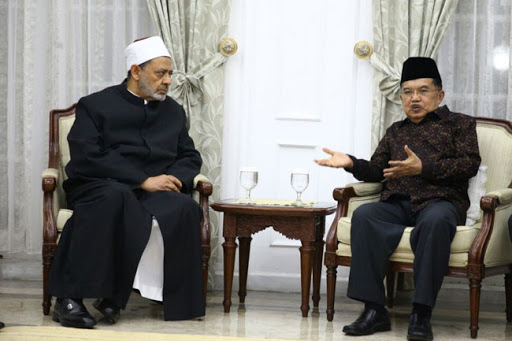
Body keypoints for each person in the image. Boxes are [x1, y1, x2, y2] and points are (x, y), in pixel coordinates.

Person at [315, 57, 481, 341]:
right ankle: (374, 310)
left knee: (437, 222)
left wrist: (423, 167)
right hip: (397, 203)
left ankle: (421, 312)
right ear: (401, 96)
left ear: (439, 95)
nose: (414, 98)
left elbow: (469, 164)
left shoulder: (459, 125)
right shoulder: (396, 131)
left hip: (440, 202)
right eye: (407, 91)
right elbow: (378, 171)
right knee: (366, 216)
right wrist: (351, 163)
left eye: (423, 90)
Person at [48, 36, 205, 328]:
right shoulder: (95, 106)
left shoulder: (172, 112)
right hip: (101, 184)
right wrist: (143, 180)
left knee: (183, 208)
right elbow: (86, 156)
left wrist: (174, 179)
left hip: (153, 189)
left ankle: (136, 298)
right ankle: (68, 298)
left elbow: (189, 157)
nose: (168, 81)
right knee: (115, 198)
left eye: (170, 74)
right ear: (136, 72)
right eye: (161, 73)